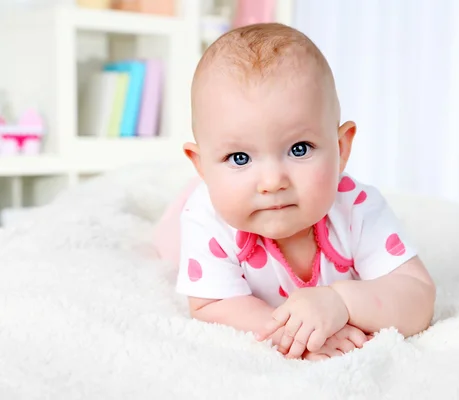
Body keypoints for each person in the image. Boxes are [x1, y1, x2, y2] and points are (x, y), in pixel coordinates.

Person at [154, 23, 436, 361]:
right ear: (202, 167)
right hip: (190, 220)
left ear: (341, 148)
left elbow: (418, 296)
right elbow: (211, 303)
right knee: (167, 244)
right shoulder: (206, 218)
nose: (273, 181)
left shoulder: (357, 208)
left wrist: (342, 302)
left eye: (299, 149)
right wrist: (296, 334)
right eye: (239, 158)